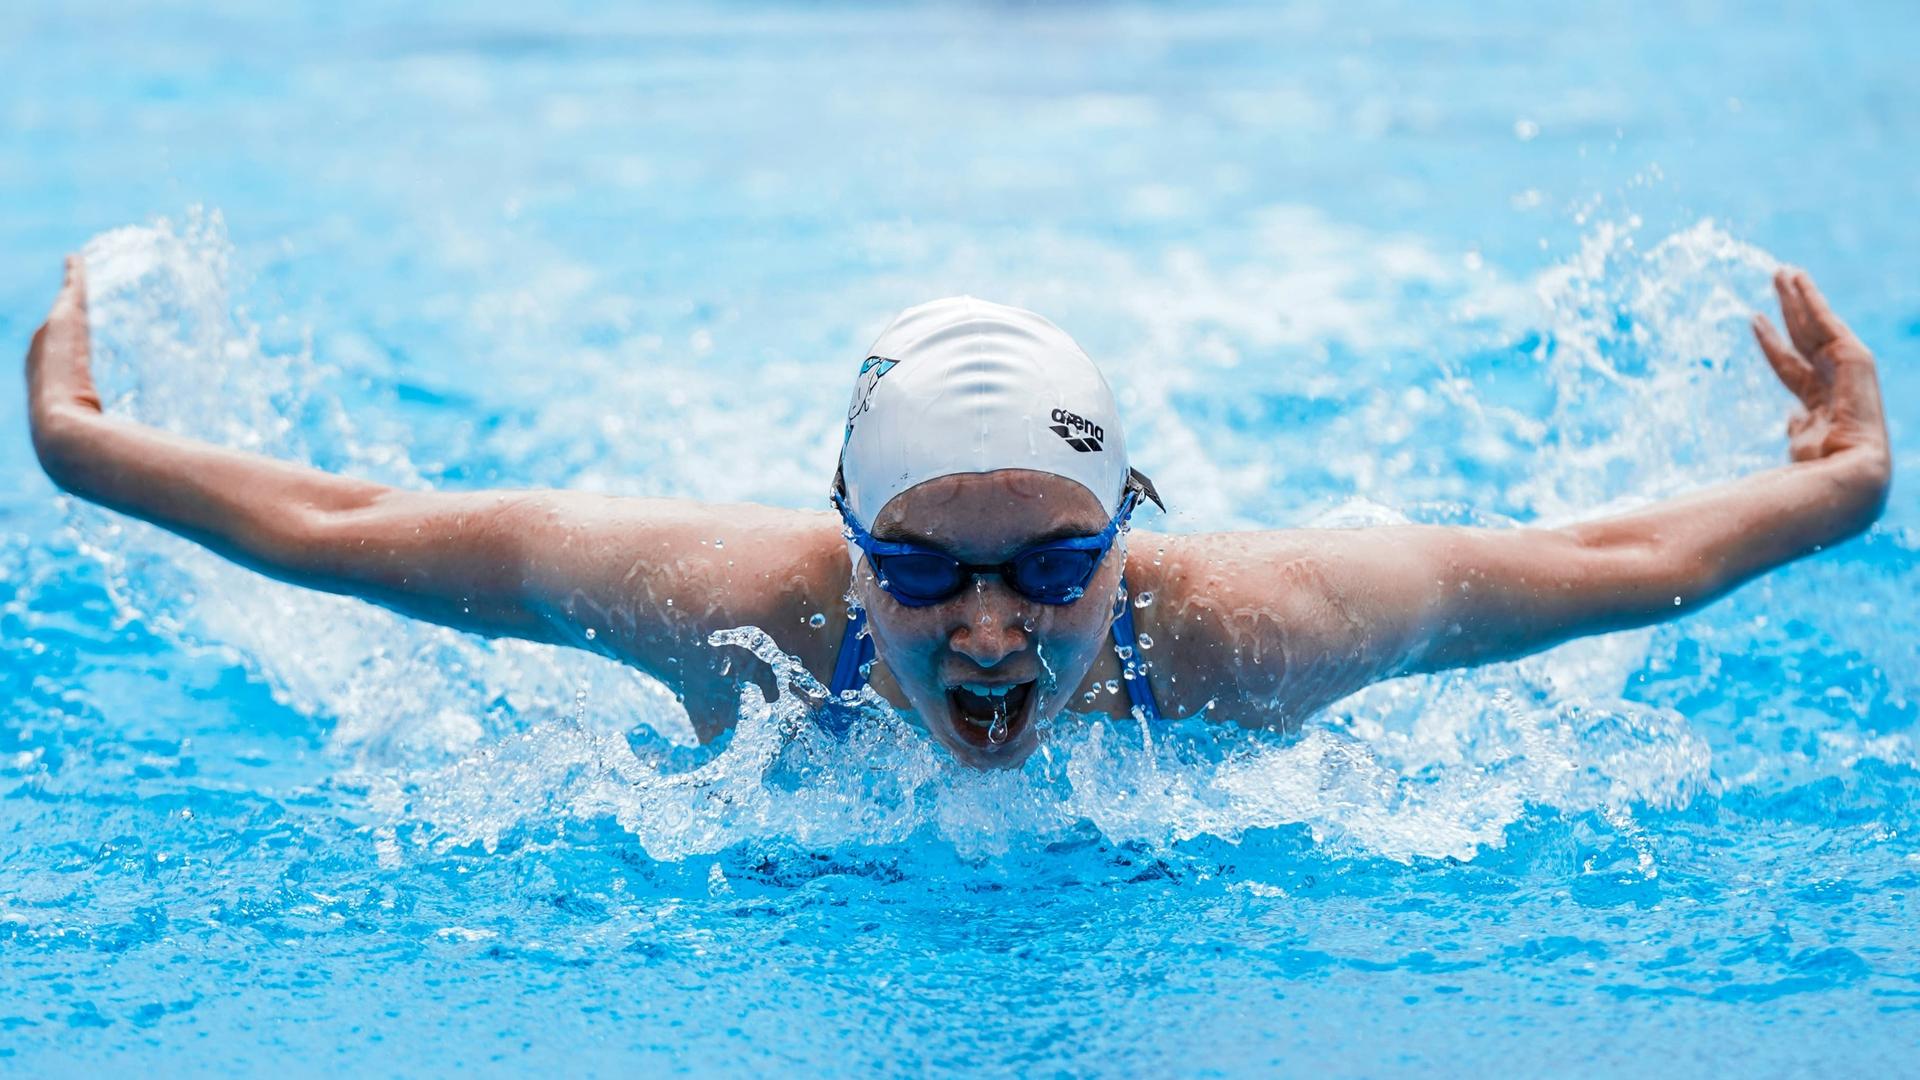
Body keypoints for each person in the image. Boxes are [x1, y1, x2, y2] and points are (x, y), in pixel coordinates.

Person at [25, 257, 1891, 769]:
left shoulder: (1252, 633)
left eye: (1055, 566)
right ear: (848, 550)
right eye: (922, 570)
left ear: (1127, 536)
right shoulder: (732, 610)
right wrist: (82, 451)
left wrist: (1841, 490)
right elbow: (349, 522)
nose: (992, 628)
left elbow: (1602, 564)